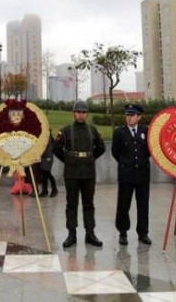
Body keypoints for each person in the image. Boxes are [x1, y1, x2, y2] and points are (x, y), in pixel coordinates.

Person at [53, 100, 106, 248]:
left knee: (89, 204)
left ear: (87, 114)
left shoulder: (93, 130)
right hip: (72, 173)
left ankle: (90, 234)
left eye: (83, 112)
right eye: (78, 112)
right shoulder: (66, 130)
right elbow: (56, 148)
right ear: (73, 113)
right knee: (71, 204)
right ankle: (72, 234)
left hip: (88, 172)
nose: (81, 115)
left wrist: (90, 158)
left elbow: (101, 148)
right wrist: (68, 160)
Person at [112, 104, 152, 246]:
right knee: (123, 205)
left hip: (142, 174)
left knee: (143, 205)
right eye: (127, 115)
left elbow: (149, 151)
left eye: (132, 115)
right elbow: (115, 152)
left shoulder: (145, 131)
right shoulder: (119, 133)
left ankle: (143, 233)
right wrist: (126, 163)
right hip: (126, 175)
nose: (129, 118)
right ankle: (123, 232)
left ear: (139, 117)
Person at [37, 132, 57, 197]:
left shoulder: (47, 135)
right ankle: (44, 190)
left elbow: (46, 147)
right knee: (44, 174)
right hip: (44, 157)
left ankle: (54, 189)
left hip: (48, 157)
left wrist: (48, 157)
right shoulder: (44, 134)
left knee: (47, 173)